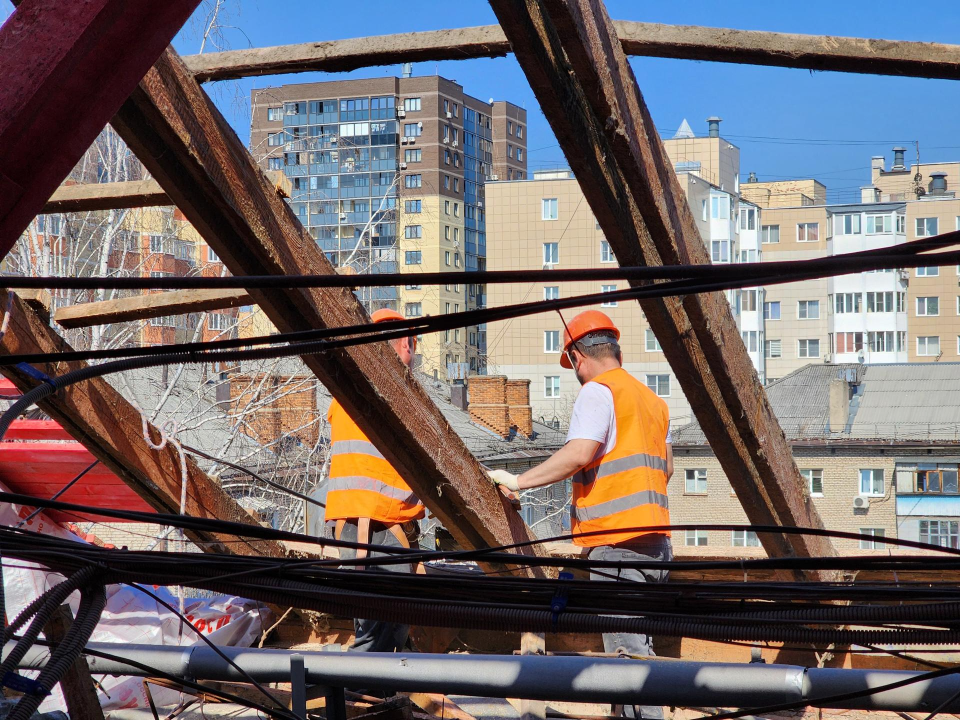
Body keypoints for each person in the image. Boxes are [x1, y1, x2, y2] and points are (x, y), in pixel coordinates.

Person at [489, 310, 673, 720]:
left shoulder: (597, 391)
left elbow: (578, 453)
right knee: (642, 659)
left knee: (627, 666)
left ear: (576, 356)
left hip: (618, 547)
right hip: (657, 548)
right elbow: (668, 469)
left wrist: (517, 482)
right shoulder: (652, 401)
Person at [324, 308, 425, 653]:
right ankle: (353, 698)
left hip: (358, 527)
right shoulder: (393, 395)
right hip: (380, 528)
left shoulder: (347, 392)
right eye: (410, 344)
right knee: (376, 637)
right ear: (405, 346)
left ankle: (372, 697)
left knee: (385, 630)